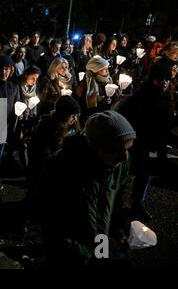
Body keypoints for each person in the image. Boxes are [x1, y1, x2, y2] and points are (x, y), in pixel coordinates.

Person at [40, 110, 136, 267]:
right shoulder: (60, 166)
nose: (125, 157)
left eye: (128, 148)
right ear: (97, 146)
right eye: (118, 149)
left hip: (101, 240)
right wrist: (72, 247)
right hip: (68, 252)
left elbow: (115, 199)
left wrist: (119, 228)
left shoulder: (120, 163)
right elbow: (46, 213)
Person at [118, 60, 175, 221]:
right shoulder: (144, 95)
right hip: (137, 140)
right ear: (153, 79)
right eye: (160, 79)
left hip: (149, 141)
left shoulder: (162, 95)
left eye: (167, 79)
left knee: (145, 173)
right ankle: (121, 204)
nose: (164, 83)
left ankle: (136, 203)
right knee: (131, 172)